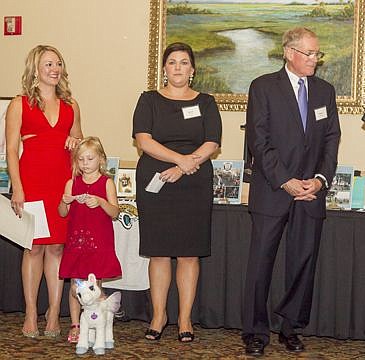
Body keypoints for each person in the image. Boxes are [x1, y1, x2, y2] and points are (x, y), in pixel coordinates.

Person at [242, 27, 341, 356]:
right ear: (289, 52)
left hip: (310, 193)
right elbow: (259, 141)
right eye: (309, 53)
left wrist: (320, 179)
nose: (315, 59)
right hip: (273, 190)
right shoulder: (263, 88)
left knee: (302, 263)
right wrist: (285, 180)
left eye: (317, 54)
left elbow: (331, 140)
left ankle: (289, 327)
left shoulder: (325, 92)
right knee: (260, 264)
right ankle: (255, 332)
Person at [132, 42, 222, 342]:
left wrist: (185, 166)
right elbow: (143, 140)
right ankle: (159, 316)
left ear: (192, 70)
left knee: (188, 253)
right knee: (158, 253)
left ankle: (185, 319)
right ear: (164, 69)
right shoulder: (149, 100)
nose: (178, 67)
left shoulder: (206, 102)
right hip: (156, 181)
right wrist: (178, 160)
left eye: (184, 62)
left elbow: (212, 143)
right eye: (172, 62)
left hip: (193, 182)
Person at [5, 45, 82, 338]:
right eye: (48, 64)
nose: (55, 68)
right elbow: (11, 151)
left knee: (57, 247)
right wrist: (18, 189)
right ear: (35, 69)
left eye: (58, 63)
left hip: (61, 182)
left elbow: (79, 142)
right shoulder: (19, 103)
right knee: (33, 247)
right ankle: (30, 312)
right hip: (32, 182)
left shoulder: (71, 104)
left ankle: (53, 312)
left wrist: (76, 143)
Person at [58, 136, 122, 343]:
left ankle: (97, 323)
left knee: (94, 286)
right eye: (81, 159)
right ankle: (76, 325)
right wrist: (64, 200)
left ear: (101, 159)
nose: (85, 164)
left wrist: (101, 202)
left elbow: (114, 213)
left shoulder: (107, 183)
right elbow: (62, 213)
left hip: (98, 243)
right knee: (75, 286)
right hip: (76, 243)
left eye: (90, 159)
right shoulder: (72, 183)